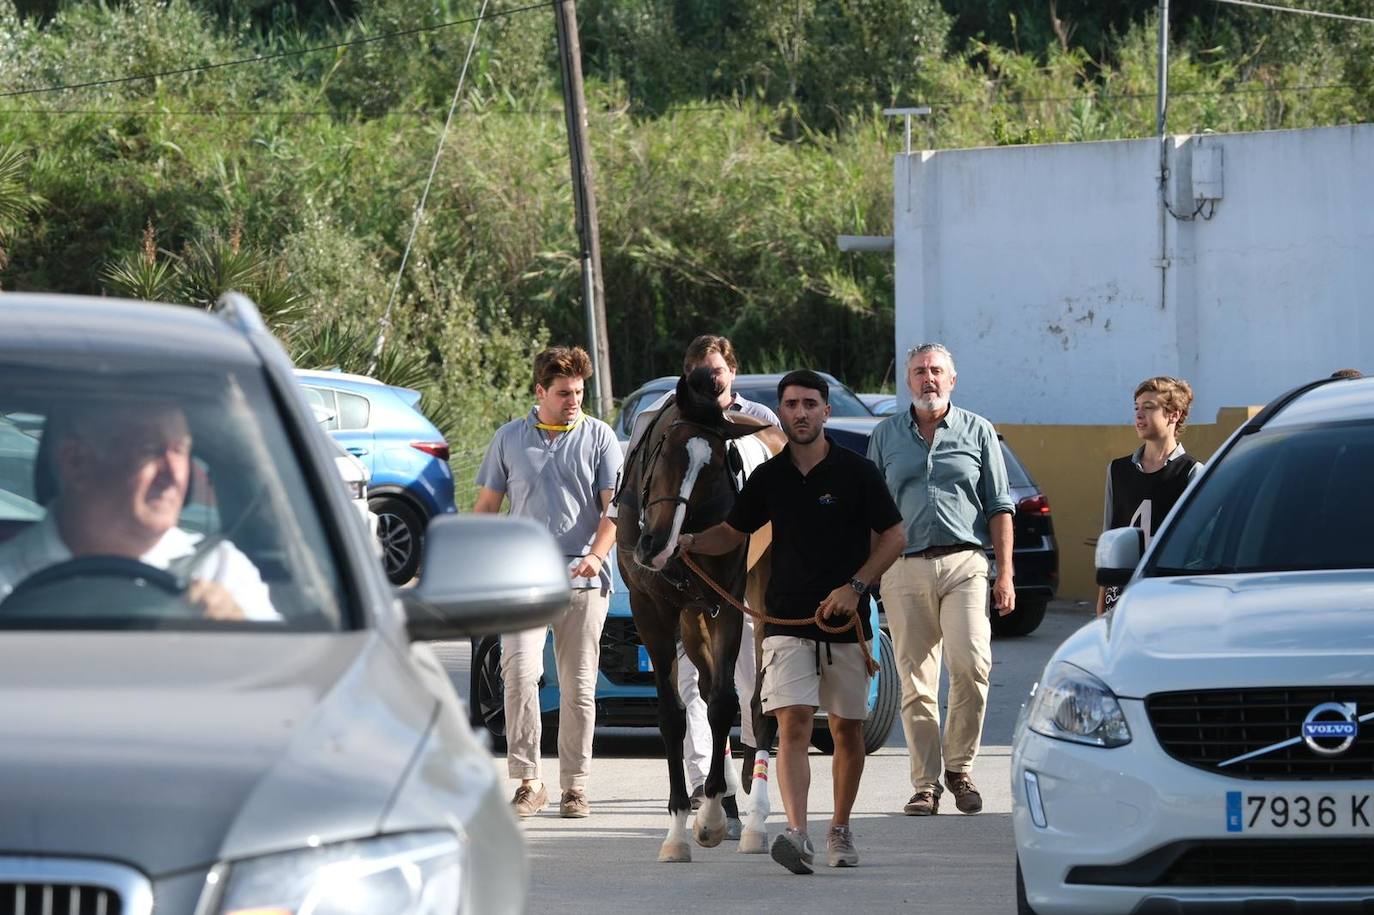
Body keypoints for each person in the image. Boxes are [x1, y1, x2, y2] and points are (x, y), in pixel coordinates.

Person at [679, 369, 906, 874]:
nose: (800, 413)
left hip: (845, 623)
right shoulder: (770, 477)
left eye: (809, 404)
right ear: (780, 412)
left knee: (847, 730)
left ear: (826, 411)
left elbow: (895, 536)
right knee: (793, 723)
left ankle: (840, 828)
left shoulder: (857, 471)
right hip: (783, 621)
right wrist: (688, 542)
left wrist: (857, 587)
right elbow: (732, 533)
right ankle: (798, 834)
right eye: (791, 404)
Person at [474, 345, 623, 819]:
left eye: (578, 392)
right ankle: (529, 781)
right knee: (518, 675)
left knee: (579, 687)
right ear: (540, 391)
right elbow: (486, 508)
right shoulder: (509, 439)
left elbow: (614, 509)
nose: (573, 400)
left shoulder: (600, 437)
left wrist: (597, 555)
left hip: (584, 579)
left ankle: (575, 786)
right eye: (563, 393)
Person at [866, 343, 1014, 818]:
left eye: (935, 371)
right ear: (907, 380)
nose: (927, 378)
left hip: (965, 563)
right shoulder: (885, 435)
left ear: (952, 379)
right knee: (916, 681)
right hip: (903, 567)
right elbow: (871, 511)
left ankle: (960, 769)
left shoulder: (978, 430)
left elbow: (1000, 505)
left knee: (972, 665)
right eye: (918, 371)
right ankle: (925, 785)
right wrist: (867, 574)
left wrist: (1006, 573)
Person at [0, 400, 277, 621]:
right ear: (76, 462)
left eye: (181, 451)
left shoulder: (221, 570)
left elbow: (284, 671)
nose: (175, 474)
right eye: (151, 450)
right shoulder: (7, 578)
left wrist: (239, 634)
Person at [668, 335, 779, 810]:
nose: (707, 378)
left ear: (732, 372)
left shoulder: (760, 421)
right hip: (687, 567)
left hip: (746, 564)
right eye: (697, 370)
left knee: (751, 671)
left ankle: (755, 748)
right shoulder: (670, 418)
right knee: (692, 679)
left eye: (715, 370)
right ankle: (704, 777)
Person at [1096, 376, 1202, 616]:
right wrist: (1103, 596)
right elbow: (1110, 535)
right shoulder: (1117, 470)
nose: (1139, 415)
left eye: (1149, 407)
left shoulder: (1192, 472)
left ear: (1174, 415)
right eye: (1136, 408)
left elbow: (1196, 547)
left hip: (1166, 594)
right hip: (1121, 594)